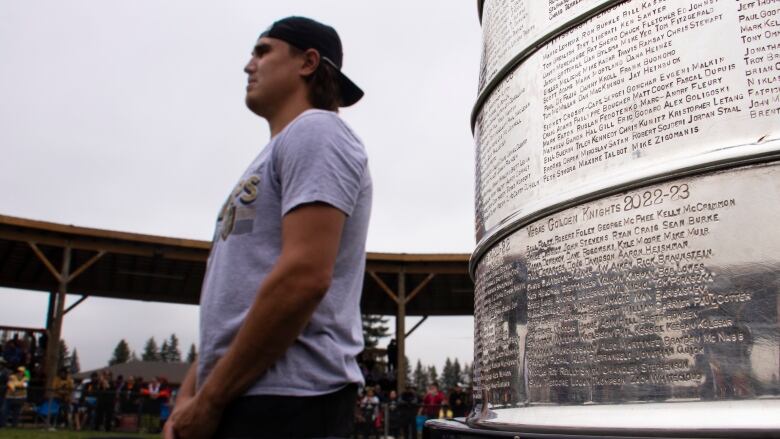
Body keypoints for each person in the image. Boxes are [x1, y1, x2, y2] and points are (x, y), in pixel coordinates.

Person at [165, 15, 370, 439]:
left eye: (262, 51)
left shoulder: (318, 131)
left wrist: (210, 399)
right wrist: (189, 399)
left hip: (291, 400)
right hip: (239, 392)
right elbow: (232, 305)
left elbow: (303, 277)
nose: (248, 65)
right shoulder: (273, 152)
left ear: (308, 62)